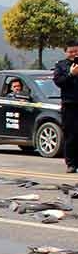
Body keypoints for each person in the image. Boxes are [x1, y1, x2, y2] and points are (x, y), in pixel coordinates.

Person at [53, 41, 78, 172]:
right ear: (66, 52)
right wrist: (71, 74)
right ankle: (71, 164)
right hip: (70, 105)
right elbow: (58, 82)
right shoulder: (61, 65)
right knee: (71, 134)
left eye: (76, 51)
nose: (74, 54)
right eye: (71, 51)